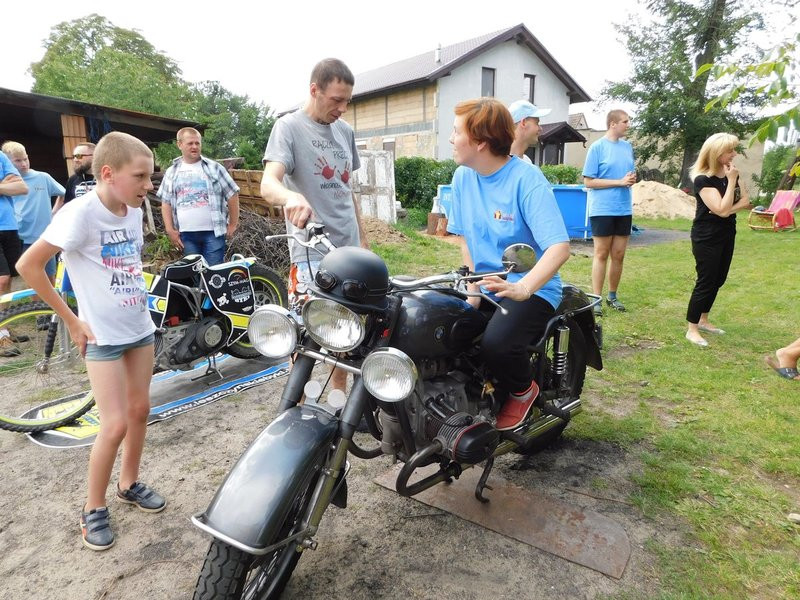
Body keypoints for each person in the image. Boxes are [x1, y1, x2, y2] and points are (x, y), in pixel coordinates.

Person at [16, 131, 165, 551]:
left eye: (149, 177)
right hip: (102, 337)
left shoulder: (132, 209)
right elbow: (28, 265)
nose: (148, 185)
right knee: (114, 423)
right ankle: (92, 507)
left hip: (139, 330)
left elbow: (124, 265)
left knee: (140, 410)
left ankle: (129, 483)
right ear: (107, 173)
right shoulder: (79, 214)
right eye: (140, 176)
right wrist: (73, 322)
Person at [446, 98, 570, 431]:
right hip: (485, 282)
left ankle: (522, 390)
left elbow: (559, 247)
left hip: (530, 286)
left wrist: (523, 287)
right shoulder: (462, 177)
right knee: (439, 328)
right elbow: (466, 238)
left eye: (456, 132)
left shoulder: (526, 180)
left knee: (497, 345)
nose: (450, 139)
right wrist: (472, 289)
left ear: (480, 143)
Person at [260, 57, 367, 394]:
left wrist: (363, 241)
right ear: (314, 90)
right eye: (336, 100)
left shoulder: (345, 131)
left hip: (349, 251)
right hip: (312, 254)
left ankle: (338, 400)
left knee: (346, 335)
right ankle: (295, 410)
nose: (343, 108)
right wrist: (289, 198)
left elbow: (348, 190)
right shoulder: (288, 127)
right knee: (305, 338)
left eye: (347, 100)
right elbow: (267, 184)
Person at [684, 133, 751, 347]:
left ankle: (704, 319)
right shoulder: (703, 179)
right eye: (730, 151)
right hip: (706, 235)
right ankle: (692, 329)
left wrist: (726, 209)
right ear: (716, 153)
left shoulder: (732, 173)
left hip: (727, 232)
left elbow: (746, 201)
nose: (734, 154)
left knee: (719, 279)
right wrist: (731, 183)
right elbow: (721, 209)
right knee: (706, 280)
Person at [157, 127, 240, 265]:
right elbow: (166, 203)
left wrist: (232, 224)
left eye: (197, 143)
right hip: (187, 235)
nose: (194, 147)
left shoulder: (215, 167)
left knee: (213, 275)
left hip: (213, 233)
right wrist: (170, 230)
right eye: (190, 143)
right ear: (180, 144)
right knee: (194, 274)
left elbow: (233, 194)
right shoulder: (172, 172)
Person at [582, 109, 636, 314]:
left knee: (619, 254)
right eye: (625, 121)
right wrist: (619, 182)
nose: (628, 125)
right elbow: (588, 181)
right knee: (601, 253)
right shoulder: (597, 147)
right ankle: (596, 299)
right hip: (602, 209)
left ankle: (612, 296)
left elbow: (626, 176)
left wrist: (630, 180)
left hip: (623, 208)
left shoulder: (628, 147)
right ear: (613, 124)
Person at [2, 141, 64, 284]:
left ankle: (52, 306)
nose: (24, 163)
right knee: (30, 279)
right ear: (7, 162)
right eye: (18, 160)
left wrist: (54, 212)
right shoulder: (7, 182)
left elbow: (63, 194)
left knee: (49, 276)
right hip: (20, 238)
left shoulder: (43, 177)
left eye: (25, 159)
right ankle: (35, 306)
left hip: (45, 237)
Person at [0, 149, 28, 357]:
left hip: (9, 226)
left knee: (8, 282)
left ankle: (4, 325)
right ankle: (1, 335)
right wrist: (4, 185)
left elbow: (20, 187)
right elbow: (11, 186)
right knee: (1, 280)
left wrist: (10, 185)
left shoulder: (0, 156)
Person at [54, 142, 96, 213]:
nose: (75, 160)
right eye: (74, 156)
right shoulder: (72, 180)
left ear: (94, 156)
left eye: (79, 156)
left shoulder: (106, 178)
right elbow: (68, 206)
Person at [508, 99, 551, 165]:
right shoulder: (499, 162)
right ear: (524, 123)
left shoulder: (527, 161)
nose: (540, 128)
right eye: (537, 123)